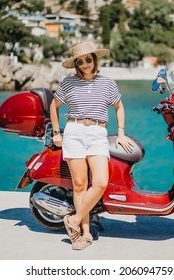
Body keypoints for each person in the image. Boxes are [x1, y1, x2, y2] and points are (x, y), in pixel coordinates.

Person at [49, 41, 133, 250]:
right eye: (80, 61)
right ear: (76, 64)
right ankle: (84, 234)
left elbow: (119, 107)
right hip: (74, 132)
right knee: (79, 185)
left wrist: (121, 132)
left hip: (97, 133)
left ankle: (73, 220)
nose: (85, 64)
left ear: (95, 59)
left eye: (88, 59)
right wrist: (56, 132)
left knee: (100, 182)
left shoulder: (107, 83)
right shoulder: (68, 83)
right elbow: (54, 105)